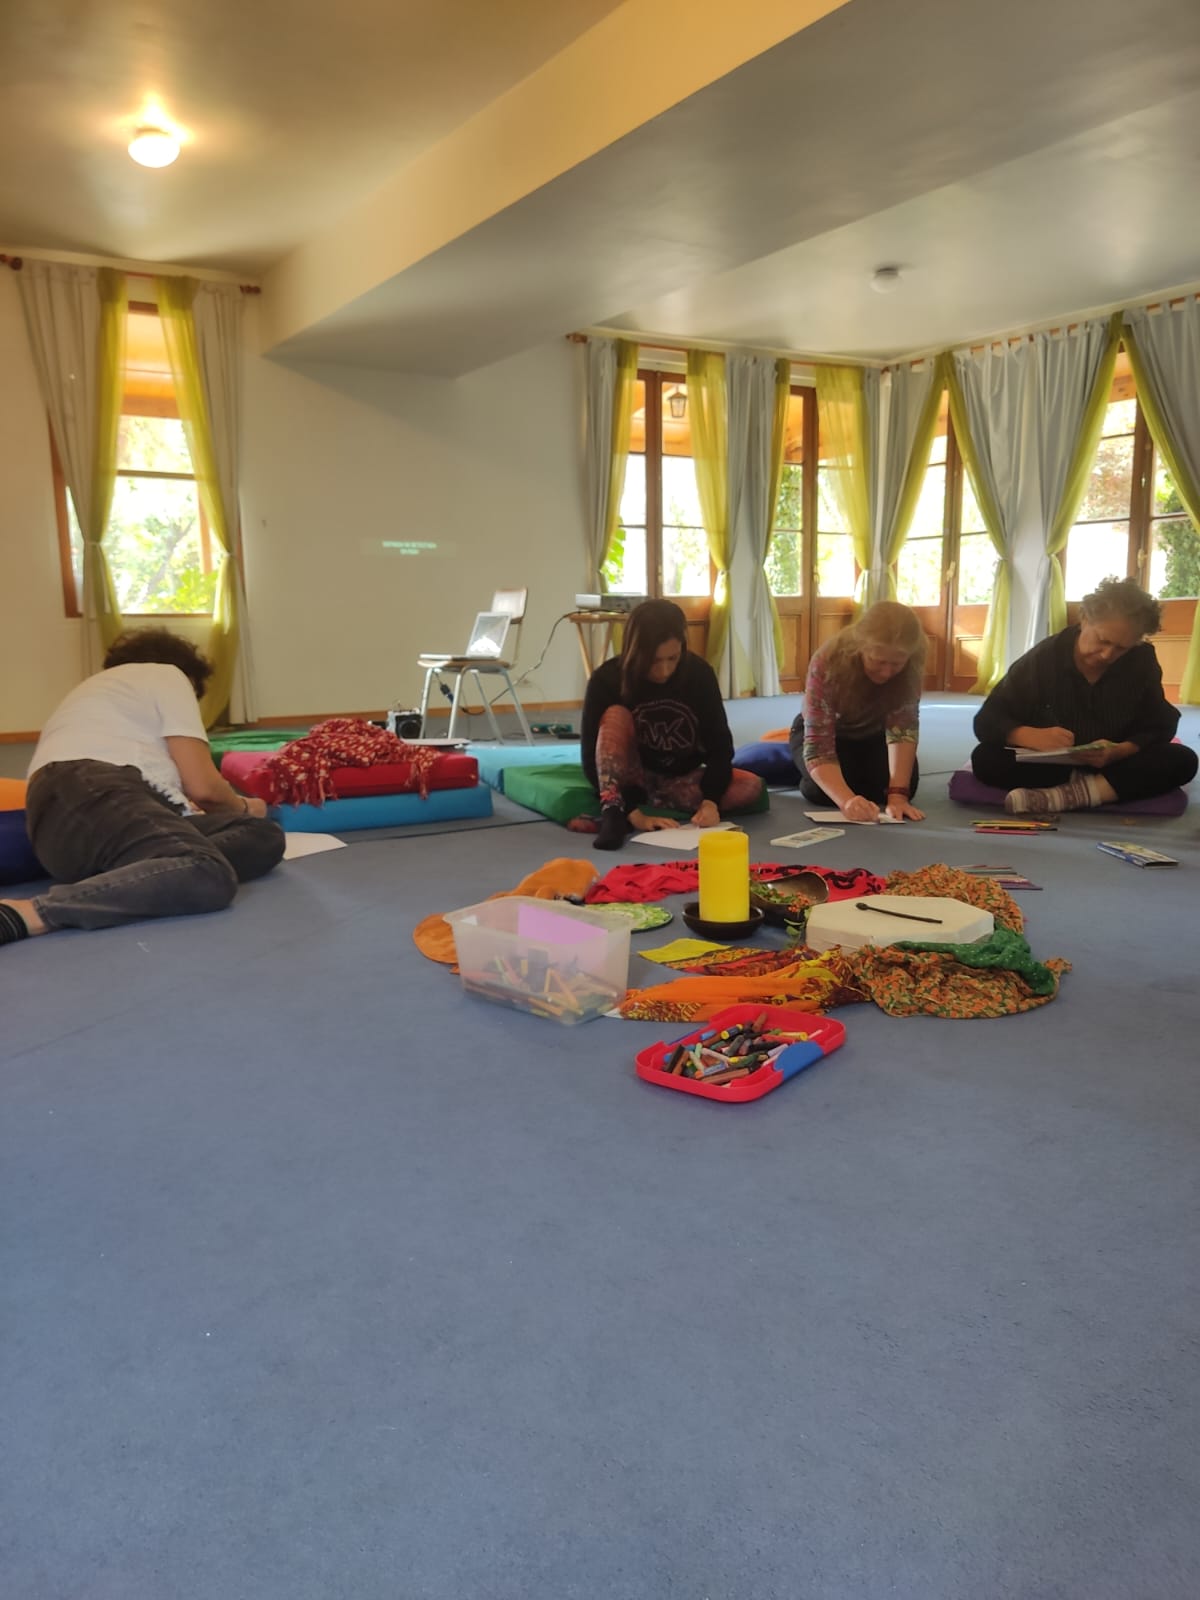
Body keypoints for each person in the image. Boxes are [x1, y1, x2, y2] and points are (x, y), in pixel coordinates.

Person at [0, 628, 285, 949]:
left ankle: (136, 878)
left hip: (62, 834)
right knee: (207, 871)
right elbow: (203, 787)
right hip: (91, 786)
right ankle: (32, 913)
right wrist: (245, 806)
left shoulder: (100, 697)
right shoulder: (166, 675)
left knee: (263, 835)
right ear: (189, 678)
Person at [971, 576, 1198, 813]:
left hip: (1114, 762)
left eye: (1121, 648)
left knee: (1183, 760)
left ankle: (1068, 795)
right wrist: (1028, 736)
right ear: (1084, 619)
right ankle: (1102, 789)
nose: (1107, 655)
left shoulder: (1141, 660)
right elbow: (987, 720)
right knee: (986, 758)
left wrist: (1120, 750)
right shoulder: (1044, 658)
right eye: (1103, 640)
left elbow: (1160, 724)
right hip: (1052, 763)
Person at [579, 599, 763, 850]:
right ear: (635, 652)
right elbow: (592, 758)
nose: (664, 670)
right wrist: (634, 814)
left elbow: (720, 746)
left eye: (673, 658)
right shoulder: (606, 679)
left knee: (749, 786)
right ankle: (615, 809)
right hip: (631, 776)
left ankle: (653, 799)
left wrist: (710, 801)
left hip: (678, 780)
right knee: (614, 716)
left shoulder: (699, 674)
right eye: (654, 661)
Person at [787, 601, 926, 822]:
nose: (886, 672)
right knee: (820, 791)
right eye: (878, 661)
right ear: (860, 647)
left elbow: (903, 729)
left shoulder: (913, 662)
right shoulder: (828, 660)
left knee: (904, 785)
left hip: (873, 733)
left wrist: (898, 795)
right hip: (828, 731)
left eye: (896, 664)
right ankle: (792, 758)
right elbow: (819, 744)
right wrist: (847, 801)